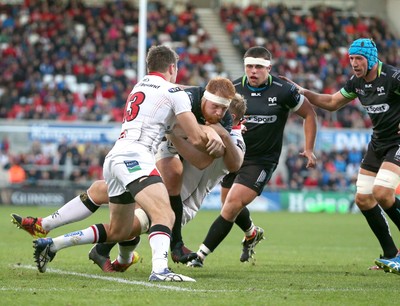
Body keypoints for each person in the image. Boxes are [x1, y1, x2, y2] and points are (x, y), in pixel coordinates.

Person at [31, 45, 226, 282]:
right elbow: (195, 137)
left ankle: (51, 245)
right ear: (172, 68)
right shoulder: (174, 92)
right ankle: (160, 270)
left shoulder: (139, 85)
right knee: (164, 214)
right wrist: (212, 131)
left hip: (114, 158)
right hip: (136, 157)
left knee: (119, 231)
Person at [11, 92, 246, 273]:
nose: (212, 113)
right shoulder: (199, 126)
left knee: (123, 229)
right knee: (99, 189)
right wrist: (178, 131)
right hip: (157, 187)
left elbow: (225, 162)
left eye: (220, 110)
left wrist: (214, 133)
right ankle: (46, 225)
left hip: (181, 204)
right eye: (212, 107)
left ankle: (53, 244)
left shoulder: (233, 139)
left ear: (231, 117)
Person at [187, 46, 317, 267]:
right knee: (228, 205)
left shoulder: (283, 90)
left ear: (268, 67)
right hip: (234, 155)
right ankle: (252, 232)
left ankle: (199, 255)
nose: (253, 71)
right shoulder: (233, 90)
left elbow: (309, 113)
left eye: (258, 66)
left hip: (262, 160)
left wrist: (309, 148)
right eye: (249, 66)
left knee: (231, 205)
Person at [280, 38, 400, 275]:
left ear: (372, 59)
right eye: (352, 59)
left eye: (359, 59)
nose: (354, 64)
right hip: (378, 143)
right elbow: (332, 102)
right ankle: (390, 255)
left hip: (397, 142)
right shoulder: (357, 83)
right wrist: (303, 91)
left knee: (382, 193)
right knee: (363, 199)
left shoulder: (393, 78)